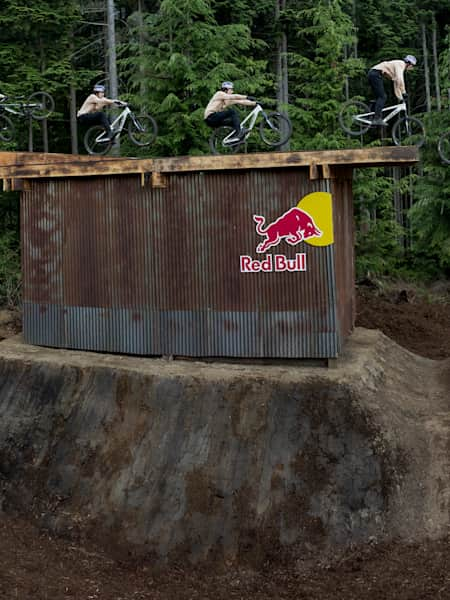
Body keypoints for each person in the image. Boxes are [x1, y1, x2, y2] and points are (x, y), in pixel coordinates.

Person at [368, 55, 417, 126]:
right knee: (383, 97)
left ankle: (370, 115)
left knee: (379, 97)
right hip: (375, 74)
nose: (412, 68)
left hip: (373, 74)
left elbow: (396, 84)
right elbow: (400, 79)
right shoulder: (401, 64)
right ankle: (377, 119)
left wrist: (400, 98)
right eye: (412, 66)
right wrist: (404, 92)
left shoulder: (398, 66)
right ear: (409, 63)